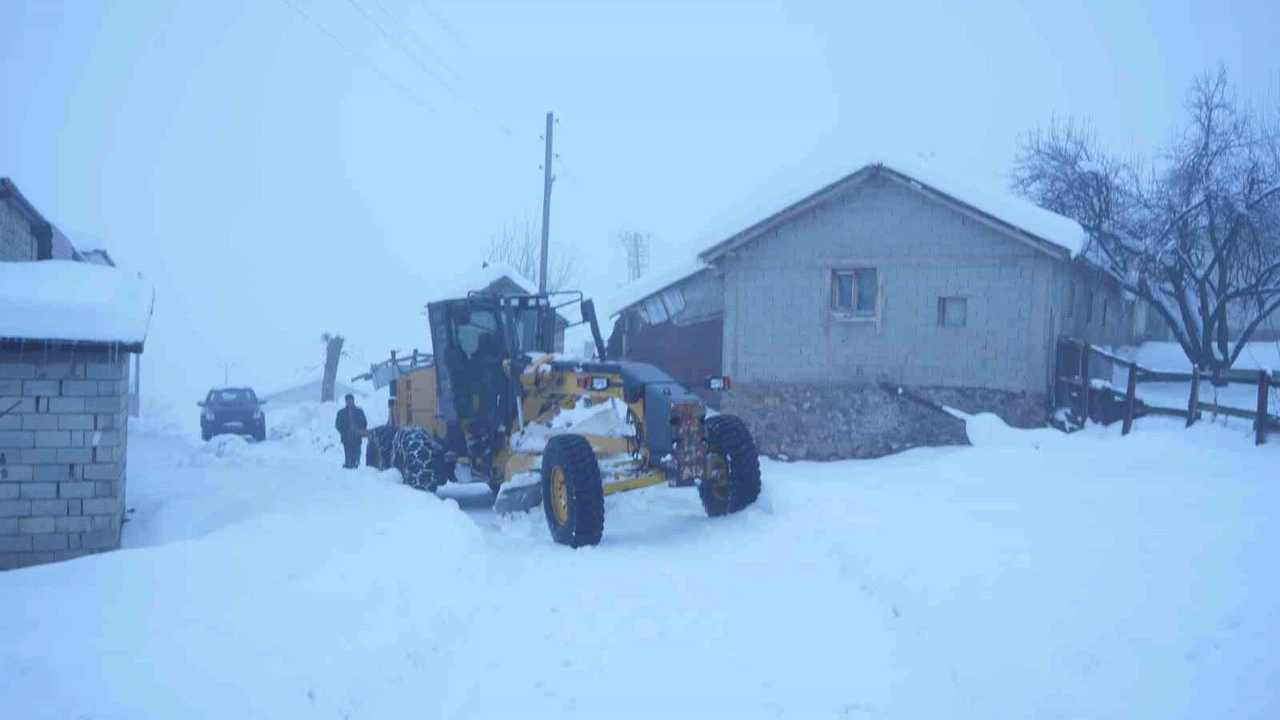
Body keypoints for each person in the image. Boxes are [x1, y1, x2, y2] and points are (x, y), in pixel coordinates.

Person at [335, 394, 368, 469]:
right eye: (348, 400)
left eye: (351, 400)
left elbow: (364, 422)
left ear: (353, 401)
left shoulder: (359, 411)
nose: (349, 402)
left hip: (357, 435)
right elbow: (337, 424)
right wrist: (343, 431)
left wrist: (360, 429)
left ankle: (356, 463)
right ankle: (348, 464)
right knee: (348, 451)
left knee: (357, 451)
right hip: (346, 436)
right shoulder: (341, 413)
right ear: (345, 402)